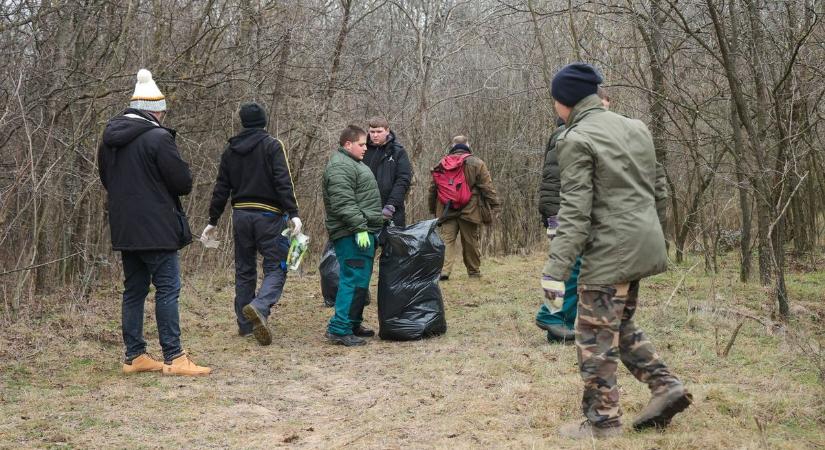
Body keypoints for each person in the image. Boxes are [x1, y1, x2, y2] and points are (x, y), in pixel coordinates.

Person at [541, 63, 691, 438]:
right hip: (644, 242)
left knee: (593, 338)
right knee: (619, 324)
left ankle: (602, 422)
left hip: (610, 253)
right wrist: (652, 234)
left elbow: (574, 212)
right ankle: (665, 385)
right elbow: (659, 190)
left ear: (564, 101)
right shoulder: (635, 127)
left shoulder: (574, 139)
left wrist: (555, 271)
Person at [97, 69, 210, 376]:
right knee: (168, 289)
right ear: (156, 112)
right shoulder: (159, 138)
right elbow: (182, 182)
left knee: (134, 290)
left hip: (124, 226)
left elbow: (106, 179)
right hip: (158, 226)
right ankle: (174, 357)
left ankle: (135, 356)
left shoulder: (109, 140)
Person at [201, 102, 301, 346]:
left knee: (244, 269)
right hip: (269, 216)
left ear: (243, 122)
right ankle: (259, 306)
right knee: (277, 267)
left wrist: (213, 220)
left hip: (241, 216)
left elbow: (221, 188)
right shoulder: (272, 146)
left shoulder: (230, 150)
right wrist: (293, 212)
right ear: (264, 121)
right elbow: (282, 181)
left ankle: (245, 325)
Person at [535, 88, 611, 343]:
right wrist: (556, 215)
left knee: (572, 267)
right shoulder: (568, 134)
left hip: (564, 211)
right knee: (569, 266)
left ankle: (560, 323)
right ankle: (551, 315)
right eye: (601, 106)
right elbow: (559, 180)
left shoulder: (571, 133)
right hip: (564, 212)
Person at [322, 125, 384, 346]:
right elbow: (343, 203)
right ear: (348, 144)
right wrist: (359, 228)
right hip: (351, 233)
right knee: (351, 280)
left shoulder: (352, 164)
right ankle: (339, 329)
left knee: (361, 281)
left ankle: (353, 323)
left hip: (363, 231)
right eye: (361, 144)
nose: (365, 148)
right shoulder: (339, 166)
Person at [428, 136, 501, 280]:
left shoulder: (442, 163)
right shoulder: (477, 163)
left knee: (447, 240)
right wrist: (495, 205)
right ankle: (473, 272)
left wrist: (433, 209)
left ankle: (444, 271)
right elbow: (487, 187)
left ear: (453, 146)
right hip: (471, 208)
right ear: (468, 145)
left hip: (447, 208)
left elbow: (433, 189)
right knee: (470, 240)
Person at [362, 117, 412, 226]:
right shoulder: (362, 150)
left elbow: (403, 179)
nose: (375, 135)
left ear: (387, 131)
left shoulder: (398, 151)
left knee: (391, 242)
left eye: (379, 132)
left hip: (392, 210)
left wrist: (391, 206)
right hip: (365, 209)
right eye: (372, 132)